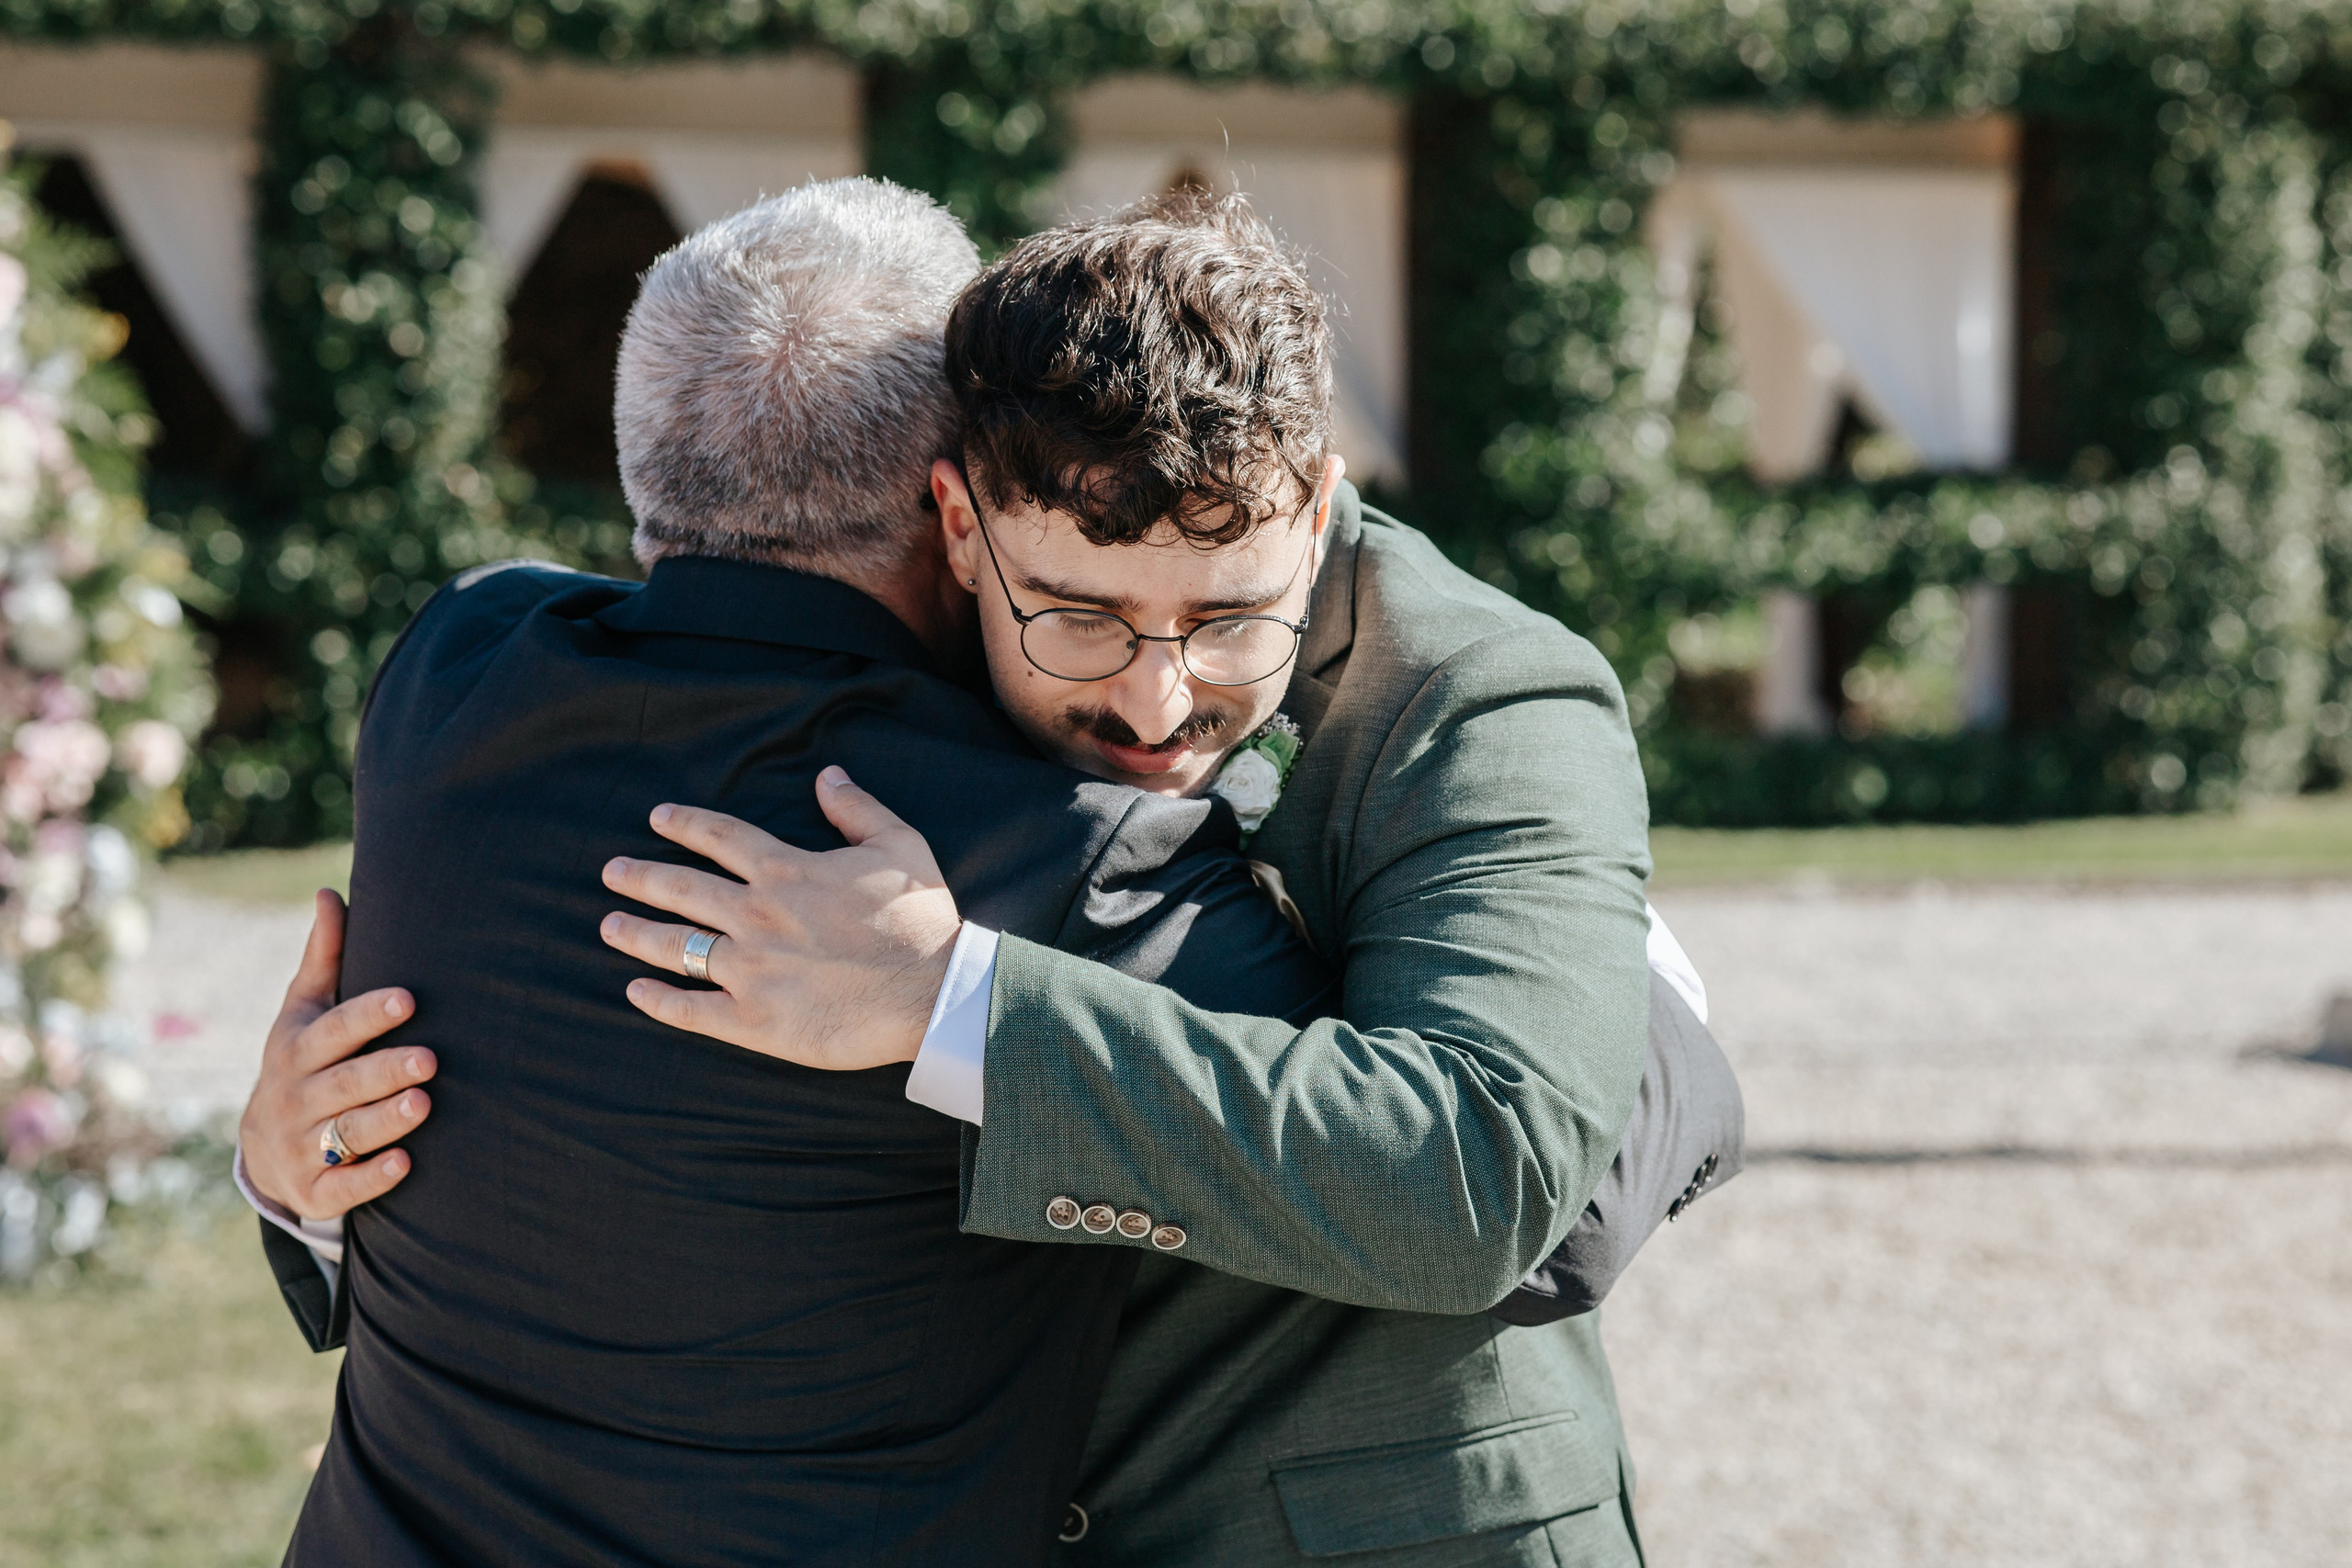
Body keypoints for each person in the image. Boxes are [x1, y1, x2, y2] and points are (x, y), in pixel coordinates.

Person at [243, 186, 1742, 1564]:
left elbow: (1505, 1183)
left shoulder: (457, 668)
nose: (1156, 700)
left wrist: (1610, 972)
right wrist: (301, 1177)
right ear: (958, 515)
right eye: (1077, 616)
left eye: (1230, 621)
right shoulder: (956, 798)